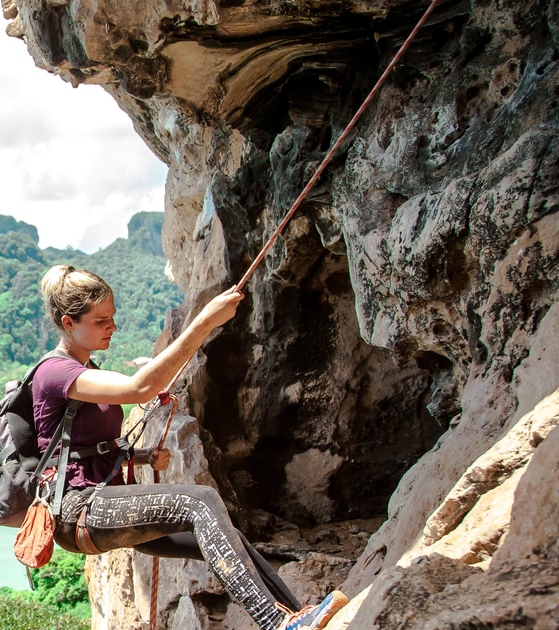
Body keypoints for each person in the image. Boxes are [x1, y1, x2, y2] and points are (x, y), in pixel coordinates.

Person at [34, 264, 348, 630]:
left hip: (102, 505)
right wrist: (204, 323)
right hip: (79, 511)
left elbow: (85, 448)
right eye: (101, 320)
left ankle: (294, 617)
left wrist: (141, 456)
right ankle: (276, 624)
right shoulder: (55, 372)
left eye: (112, 318)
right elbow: (138, 388)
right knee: (200, 501)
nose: (112, 327)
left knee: (224, 538)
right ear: (68, 322)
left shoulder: (88, 369)